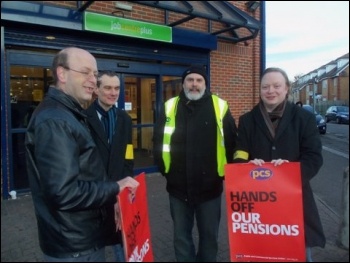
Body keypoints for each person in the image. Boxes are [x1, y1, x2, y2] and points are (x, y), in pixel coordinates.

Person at [25, 47, 139, 262]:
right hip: (74, 240)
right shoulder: (58, 119)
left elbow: (127, 152)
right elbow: (63, 192)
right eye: (86, 72)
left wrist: (119, 189)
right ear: (62, 73)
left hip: (88, 223)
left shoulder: (75, 114)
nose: (92, 80)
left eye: (94, 74)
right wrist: (114, 188)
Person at [233, 67, 326, 262]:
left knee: (298, 253)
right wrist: (246, 164)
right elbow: (239, 153)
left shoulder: (304, 118)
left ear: (286, 89)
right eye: (265, 86)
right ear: (259, 90)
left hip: (295, 201)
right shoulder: (247, 120)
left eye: (276, 86)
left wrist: (290, 173)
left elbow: (313, 157)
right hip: (259, 204)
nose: (270, 90)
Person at [153, 66, 237, 262]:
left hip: (210, 187)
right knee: (181, 237)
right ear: (183, 84)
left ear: (205, 84)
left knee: (209, 238)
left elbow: (232, 141)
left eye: (199, 80)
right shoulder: (170, 106)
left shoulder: (220, 106)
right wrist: (165, 170)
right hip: (177, 186)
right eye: (190, 80)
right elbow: (158, 140)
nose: (194, 84)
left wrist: (227, 174)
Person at [85, 70, 134, 261]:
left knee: (121, 243)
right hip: (93, 194)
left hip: (118, 191)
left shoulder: (125, 119)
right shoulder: (82, 118)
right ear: (96, 90)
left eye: (116, 88)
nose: (113, 93)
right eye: (107, 87)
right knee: (94, 247)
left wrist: (125, 185)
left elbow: (128, 154)